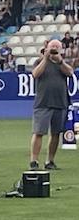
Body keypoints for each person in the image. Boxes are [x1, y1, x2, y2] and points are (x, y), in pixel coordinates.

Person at [30, 38, 74, 170]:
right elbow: (35, 74)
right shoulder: (39, 61)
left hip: (60, 102)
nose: (54, 49)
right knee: (38, 132)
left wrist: (59, 60)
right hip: (43, 102)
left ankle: (50, 161)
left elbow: (70, 72)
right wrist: (46, 57)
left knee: (56, 133)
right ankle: (34, 161)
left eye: (57, 47)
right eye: (52, 46)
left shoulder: (62, 63)